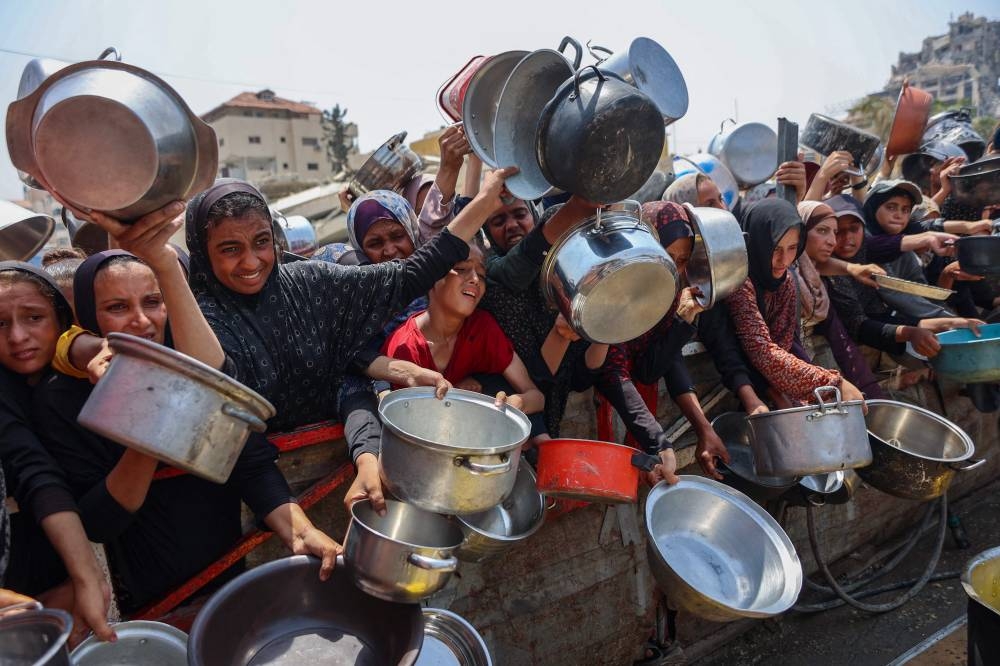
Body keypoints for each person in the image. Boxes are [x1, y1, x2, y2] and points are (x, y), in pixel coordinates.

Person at [32, 205, 340, 612]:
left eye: (154, 301)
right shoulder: (62, 397)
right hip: (155, 601)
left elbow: (249, 461)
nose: (141, 321)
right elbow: (99, 521)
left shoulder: (197, 366)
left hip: (229, 576)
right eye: (117, 307)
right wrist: (148, 426)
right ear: (89, 316)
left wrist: (300, 531)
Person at [595, 202, 759, 484]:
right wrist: (661, 443)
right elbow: (613, 369)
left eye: (682, 260)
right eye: (665, 255)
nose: (672, 268)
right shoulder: (617, 286)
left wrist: (682, 321)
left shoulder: (673, 295)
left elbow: (656, 367)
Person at [0, 262, 115, 641]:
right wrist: (87, 575)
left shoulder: (74, 375)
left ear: (61, 319)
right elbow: (33, 468)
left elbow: (77, 345)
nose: (17, 336)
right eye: (0, 324)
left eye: (34, 317)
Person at [382, 241, 547, 437]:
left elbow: (536, 396)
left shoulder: (482, 327)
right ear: (430, 278)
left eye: (482, 274)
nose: (476, 279)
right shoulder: (403, 348)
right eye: (461, 269)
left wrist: (515, 404)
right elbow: (404, 429)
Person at [477, 194, 610, 437]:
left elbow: (581, 377)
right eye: (498, 221)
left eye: (520, 214)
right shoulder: (493, 284)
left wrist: (606, 323)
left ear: (535, 217)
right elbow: (536, 379)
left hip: (555, 416)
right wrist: (562, 333)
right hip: (504, 418)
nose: (511, 225)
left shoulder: (568, 275)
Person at [724, 199, 867, 407]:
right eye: (775, 249)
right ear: (756, 242)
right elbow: (761, 350)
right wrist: (831, 383)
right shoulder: (738, 282)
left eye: (792, 248)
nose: (784, 260)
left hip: (771, 386)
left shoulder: (785, 282)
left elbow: (783, 342)